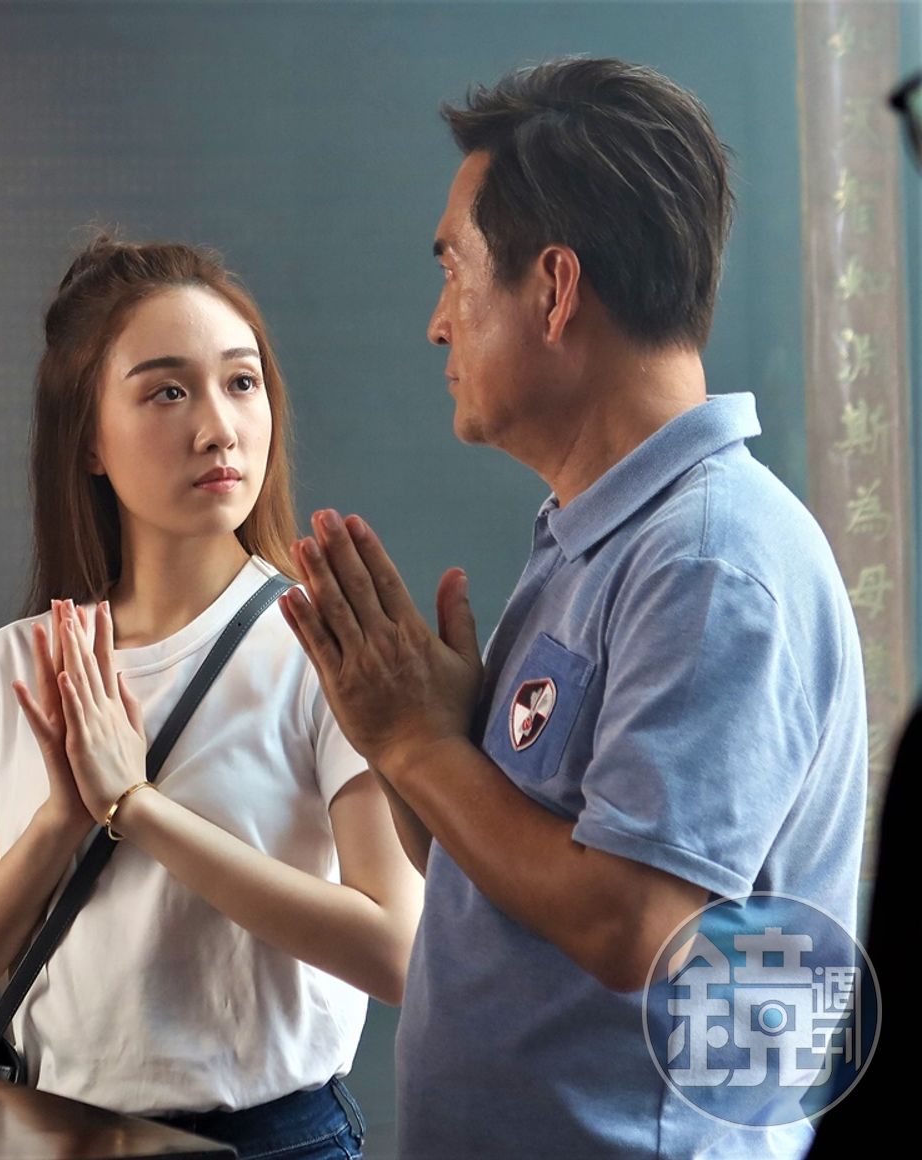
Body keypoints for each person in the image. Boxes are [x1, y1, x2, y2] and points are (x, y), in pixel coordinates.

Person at [280, 58, 867, 1158]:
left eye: (454, 271)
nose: (437, 325)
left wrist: (416, 744)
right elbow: (493, 880)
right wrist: (429, 750)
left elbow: (637, 923)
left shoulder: (710, 561)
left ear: (553, 288)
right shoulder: (596, 536)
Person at [0, 237, 421, 1158]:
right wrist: (60, 823)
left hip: (273, 1140)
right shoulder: (10, 669)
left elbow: (398, 952)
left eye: (242, 383)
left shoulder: (324, 650)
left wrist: (137, 809)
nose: (219, 428)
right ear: (88, 441)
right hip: (55, 1134)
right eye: (168, 392)